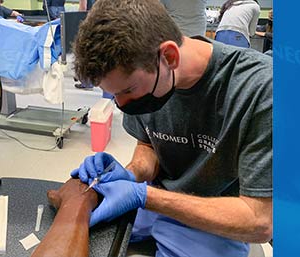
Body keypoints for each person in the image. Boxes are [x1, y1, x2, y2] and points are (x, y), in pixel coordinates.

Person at [71, 0, 272, 256]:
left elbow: (259, 221)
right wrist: (132, 174)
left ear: (169, 56)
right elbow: (148, 145)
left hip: (218, 215)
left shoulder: (259, 89)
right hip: (156, 200)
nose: (121, 105)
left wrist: (144, 196)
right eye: (114, 94)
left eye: (127, 90)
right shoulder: (149, 78)